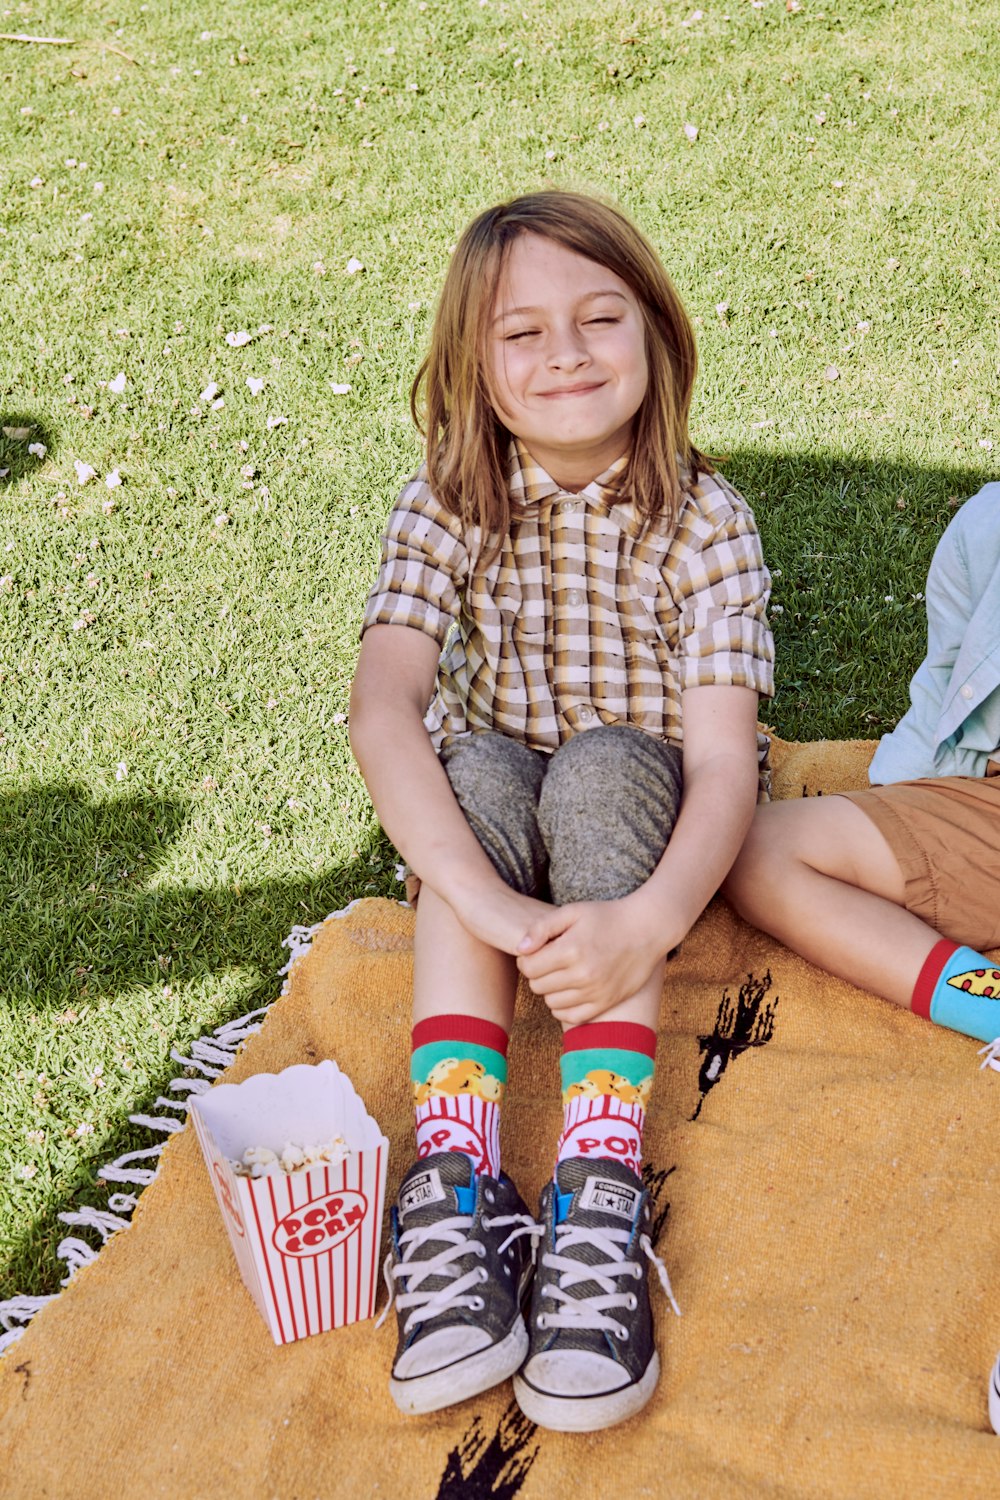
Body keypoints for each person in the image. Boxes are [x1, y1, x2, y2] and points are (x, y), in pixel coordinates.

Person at [349, 190, 774, 1432]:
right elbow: (385, 711)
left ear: (657, 339)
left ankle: (597, 1178)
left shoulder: (707, 523)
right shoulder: (444, 503)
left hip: (625, 797)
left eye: (599, 319)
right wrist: (473, 896)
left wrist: (646, 921)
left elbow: (727, 766)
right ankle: (457, 1173)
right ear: (472, 368)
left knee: (592, 767)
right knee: (467, 767)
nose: (567, 354)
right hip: (496, 815)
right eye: (521, 334)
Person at [725, 482, 1000, 1068]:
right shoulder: (986, 524)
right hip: (987, 803)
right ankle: (990, 1006)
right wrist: (904, 806)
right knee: (752, 848)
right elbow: (947, 682)